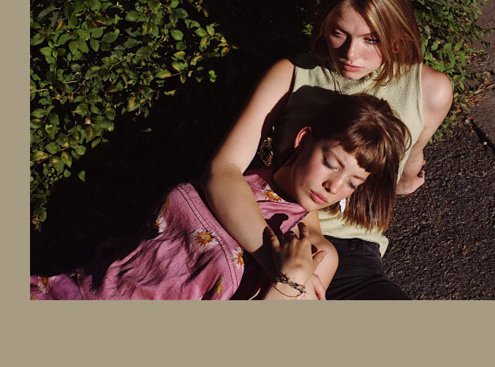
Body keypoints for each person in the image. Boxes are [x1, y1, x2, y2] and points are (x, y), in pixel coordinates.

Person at [203, 0, 453, 299]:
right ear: (324, 23)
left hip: (354, 251)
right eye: (339, 33)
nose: (351, 54)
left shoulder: (430, 91)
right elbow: (223, 170)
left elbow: (409, 162)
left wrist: (407, 176)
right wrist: (281, 266)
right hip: (272, 227)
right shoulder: (291, 74)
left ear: (397, 33)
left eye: (371, 39)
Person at [30, 93, 409, 301]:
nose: (333, 187)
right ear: (304, 139)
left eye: (352, 182)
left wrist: (289, 281)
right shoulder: (236, 177)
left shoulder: (314, 253)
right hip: (81, 290)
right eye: (330, 163)